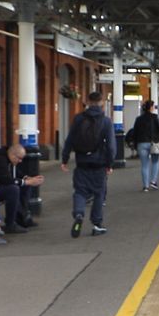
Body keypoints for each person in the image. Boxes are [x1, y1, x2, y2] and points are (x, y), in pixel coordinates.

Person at [61, 91, 116, 238]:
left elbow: (69, 140)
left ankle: (79, 214)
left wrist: (64, 160)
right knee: (99, 194)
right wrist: (110, 164)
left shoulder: (78, 119)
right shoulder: (106, 121)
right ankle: (97, 224)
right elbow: (111, 146)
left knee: (80, 191)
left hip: (82, 163)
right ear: (102, 102)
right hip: (99, 164)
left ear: (87, 102)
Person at [0, 144, 44, 233]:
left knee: (24, 186)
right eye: (19, 158)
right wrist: (26, 181)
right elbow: (5, 179)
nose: (20, 161)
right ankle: (10, 224)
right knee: (13, 190)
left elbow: (15, 173)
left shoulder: (8, 159)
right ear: (12, 155)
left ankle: (22, 218)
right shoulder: (0, 160)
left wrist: (27, 178)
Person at [132, 100, 159, 192]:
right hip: (154, 143)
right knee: (155, 162)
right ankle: (153, 181)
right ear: (151, 108)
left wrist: (135, 144)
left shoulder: (138, 119)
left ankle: (145, 186)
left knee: (144, 165)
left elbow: (135, 132)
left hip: (141, 143)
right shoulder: (155, 117)